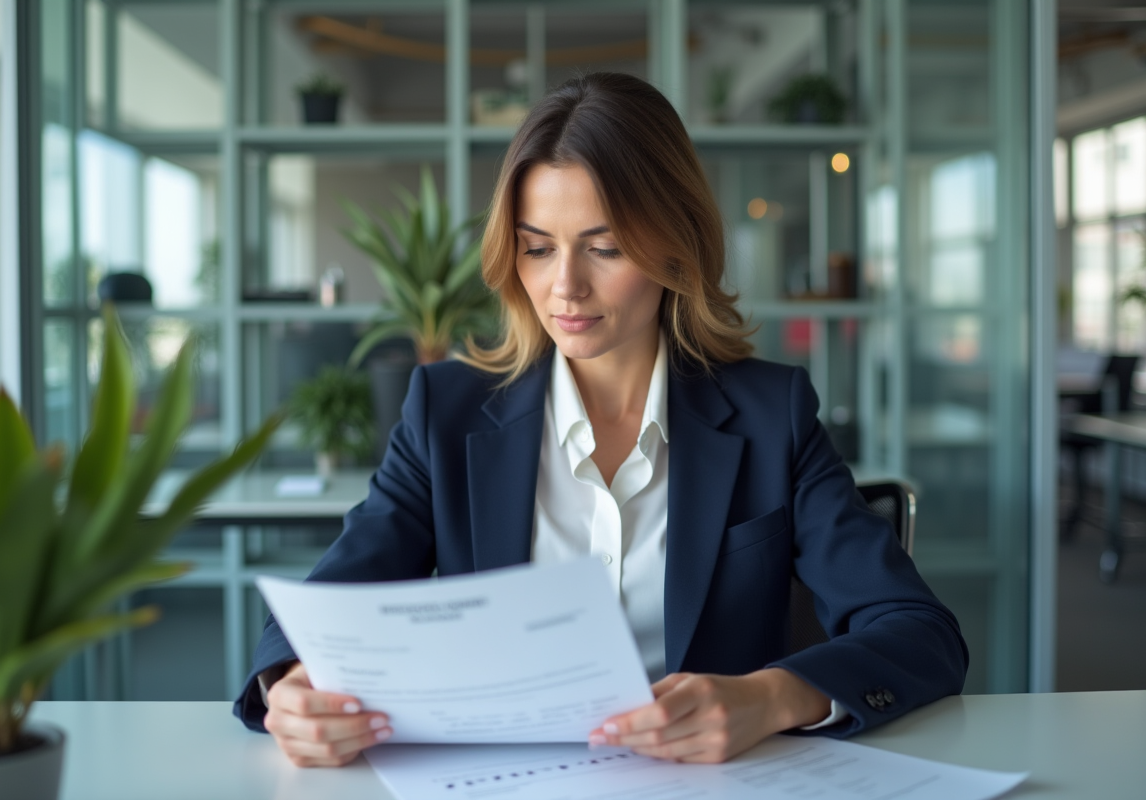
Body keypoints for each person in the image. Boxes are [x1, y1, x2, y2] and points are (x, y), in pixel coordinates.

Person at [233, 72, 968, 768]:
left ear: (675, 246)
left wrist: (769, 697)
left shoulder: (770, 414)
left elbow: (920, 633)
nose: (565, 287)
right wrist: (289, 684)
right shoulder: (445, 413)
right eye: (537, 248)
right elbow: (323, 606)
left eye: (605, 247)